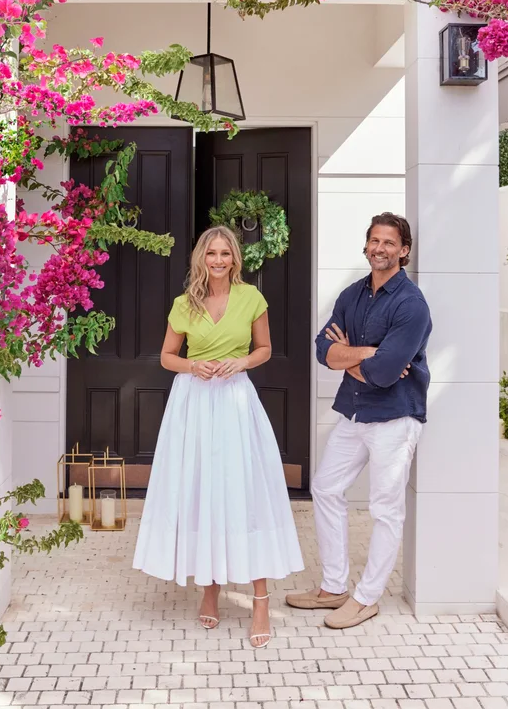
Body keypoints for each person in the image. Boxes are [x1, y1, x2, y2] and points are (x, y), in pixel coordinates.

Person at [133, 225, 304, 648]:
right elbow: (167, 357)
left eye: (226, 253)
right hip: (192, 405)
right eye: (212, 253)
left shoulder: (252, 298)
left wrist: (241, 362)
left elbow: (265, 348)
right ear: (201, 258)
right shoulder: (183, 304)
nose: (219, 260)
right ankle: (210, 588)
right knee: (201, 492)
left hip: (234, 402)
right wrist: (194, 367)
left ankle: (260, 600)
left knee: (244, 493)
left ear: (235, 258)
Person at [286, 212, 431, 630]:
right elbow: (321, 349)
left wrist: (353, 356)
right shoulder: (352, 295)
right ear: (365, 245)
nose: (379, 248)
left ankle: (366, 598)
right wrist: (368, 354)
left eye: (389, 243)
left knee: (386, 508)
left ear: (403, 251)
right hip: (354, 411)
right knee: (326, 486)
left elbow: (386, 375)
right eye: (374, 241)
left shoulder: (411, 304)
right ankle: (333, 587)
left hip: (395, 416)